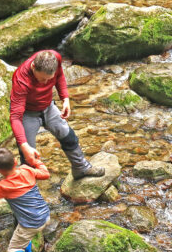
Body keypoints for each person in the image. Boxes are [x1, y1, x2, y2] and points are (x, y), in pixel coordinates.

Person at [10, 50, 104, 179]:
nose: (44, 82)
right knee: (28, 154)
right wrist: (24, 145)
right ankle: (28, 189)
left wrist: (65, 98)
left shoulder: (56, 58)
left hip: (48, 107)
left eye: (49, 80)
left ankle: (81, 168)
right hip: (28, 113)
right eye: (42, 78)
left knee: (68, 136)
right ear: (33, 67)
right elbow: (15, 117)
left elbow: (59, 76)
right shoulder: (21, 79)